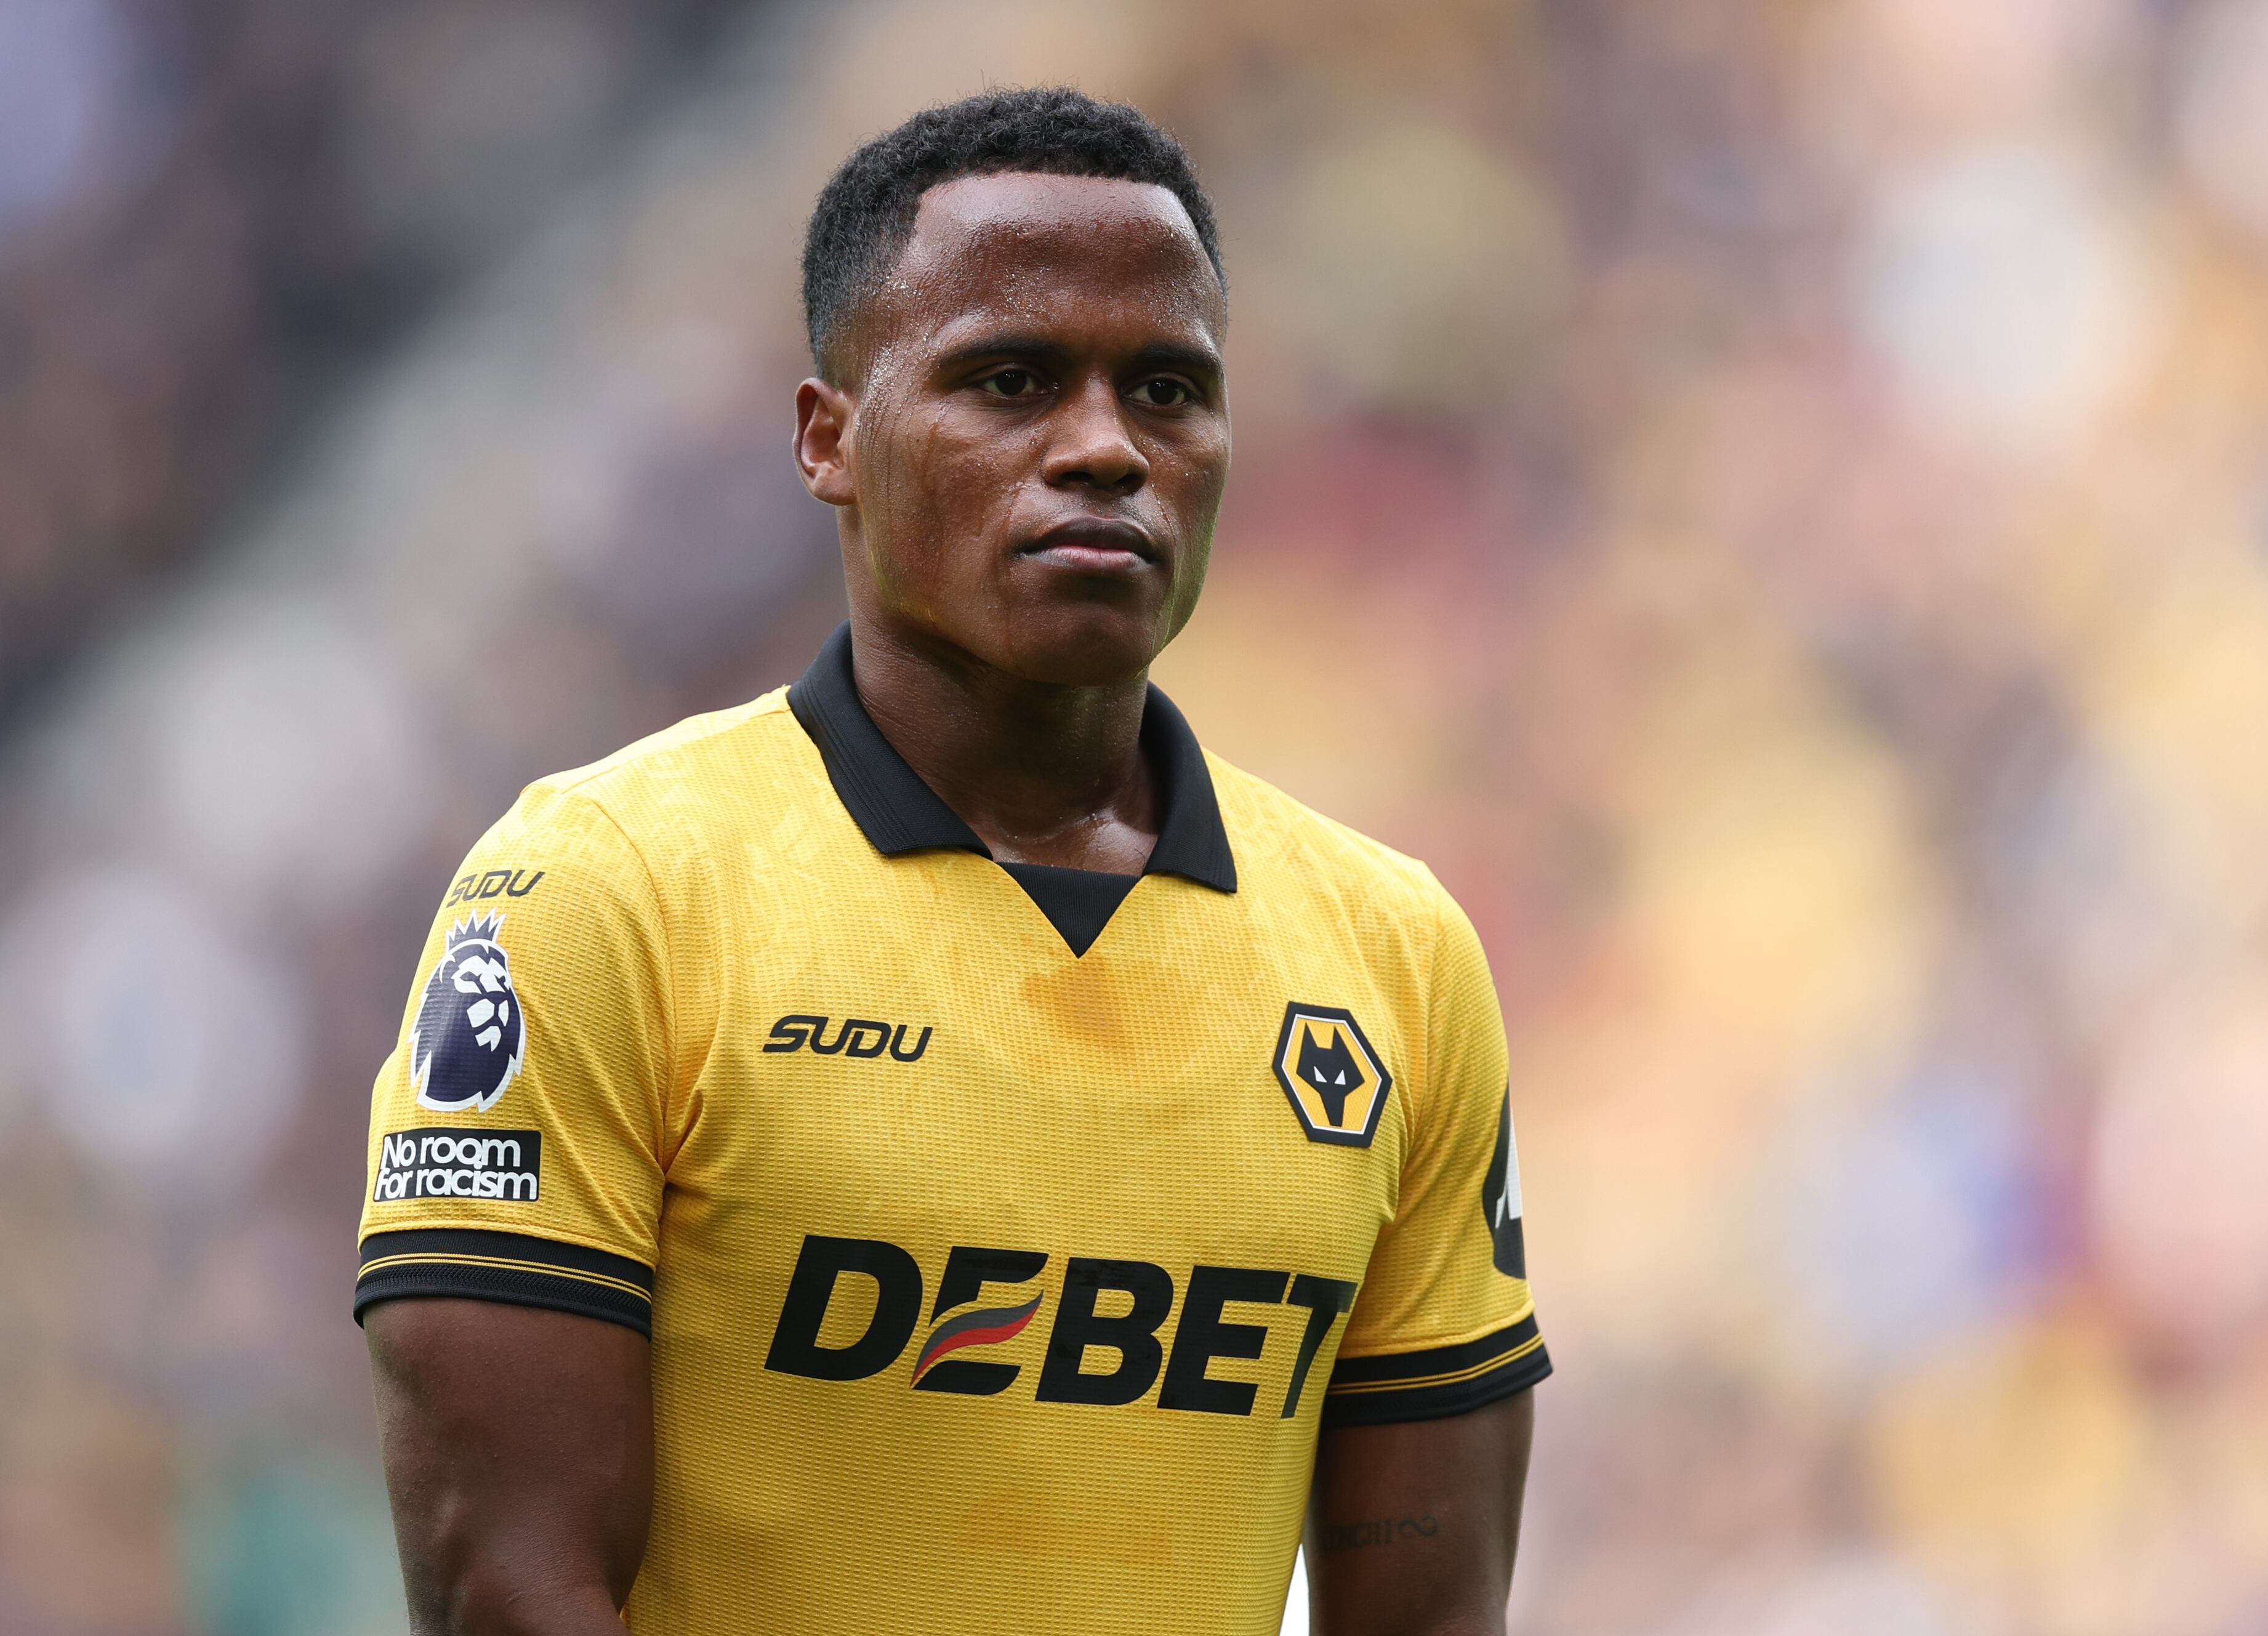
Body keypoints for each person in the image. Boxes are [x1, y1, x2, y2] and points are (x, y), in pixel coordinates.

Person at [356, 87, 1548, 1635]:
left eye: (1171, 391)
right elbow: (505, 1591)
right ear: (829, 439)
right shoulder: (600, 896)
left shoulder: (1396, 957)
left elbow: (1432, 1612)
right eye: (1012, 380)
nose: (1107, 450)